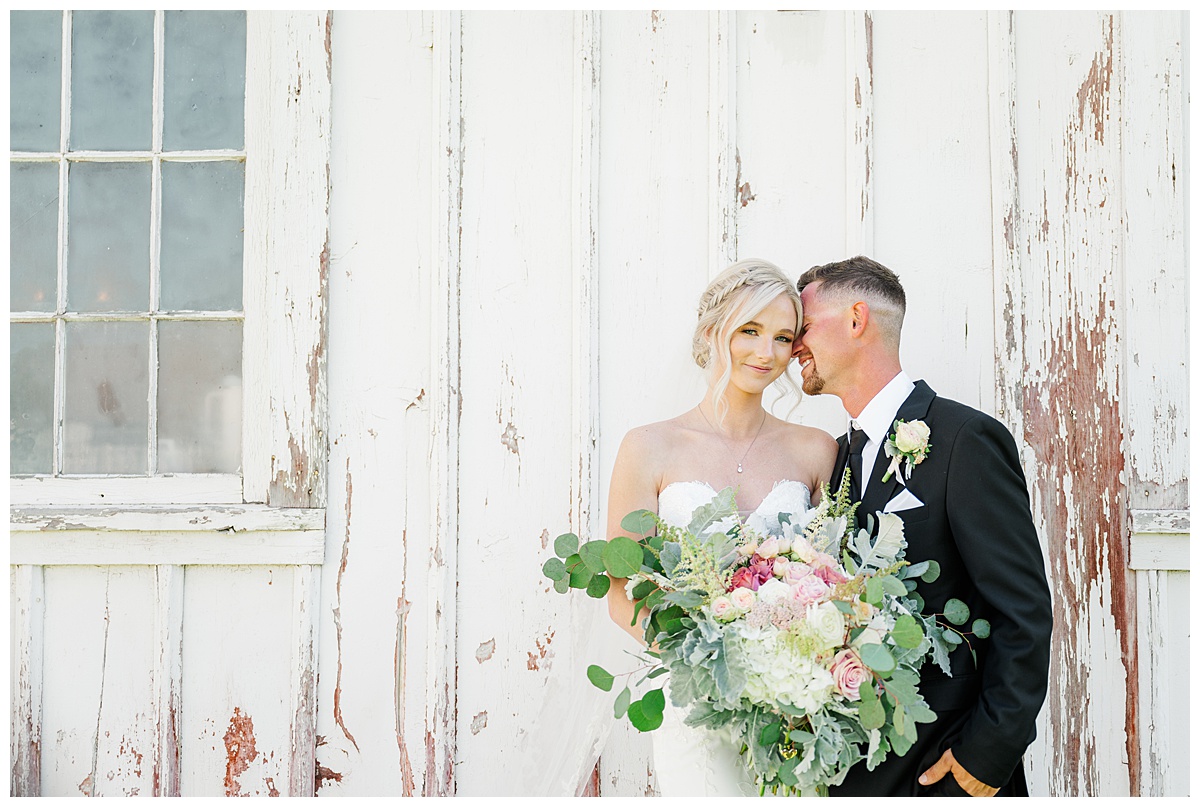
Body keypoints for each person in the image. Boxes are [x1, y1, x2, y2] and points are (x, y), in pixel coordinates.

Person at [792, 256, 1053, 797]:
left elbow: (1022, 612)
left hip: (944, 767)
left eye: (805, 326)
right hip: (853, 770)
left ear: (857, 319)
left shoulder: (966, 440)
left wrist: (987, 754)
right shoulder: (834, 460)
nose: (794, 345)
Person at [605, 258, 837, 796]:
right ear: (713, 333)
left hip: (793, 710)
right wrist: (713, 665)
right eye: (749, 331)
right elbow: (621, 594)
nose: (765, 353)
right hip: (695, 709)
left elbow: (835, 578)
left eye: (783, 338)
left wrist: (787, 667)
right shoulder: (649, 447)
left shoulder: (815, 450)